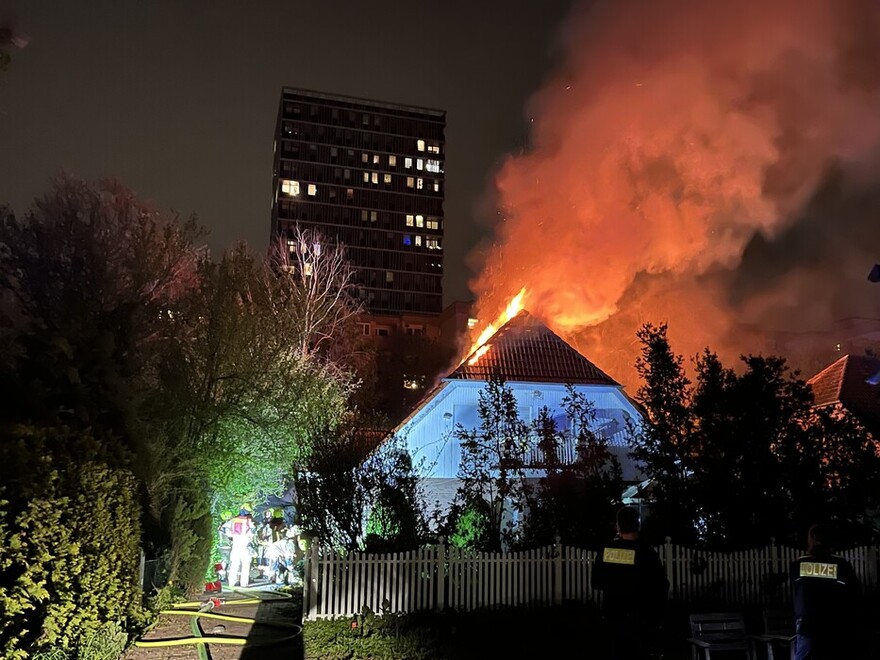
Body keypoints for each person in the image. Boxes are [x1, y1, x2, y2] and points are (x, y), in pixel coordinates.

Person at [592, 506, 669, 660]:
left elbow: (596, 582)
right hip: (642, 622)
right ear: (638, 525)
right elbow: (662, 586)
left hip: (614, 619)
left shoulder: (607, 551)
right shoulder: (647, 553)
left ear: (618, 526)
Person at [790, 523, 863, 659]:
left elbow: (797, 594)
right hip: (835, 626)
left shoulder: (798, 564)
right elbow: (855, 594)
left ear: (810, 540)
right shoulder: (841, 565)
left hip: (807, 627)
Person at [222, 508, 255, 588]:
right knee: (245, 565)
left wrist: (230, 536)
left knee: (234, 565)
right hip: (245, 546)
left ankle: (231, 583)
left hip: (235, 545)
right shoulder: (248, 521)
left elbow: (223, 528)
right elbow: (253, 531)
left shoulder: (233, 520)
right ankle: (244, 583)